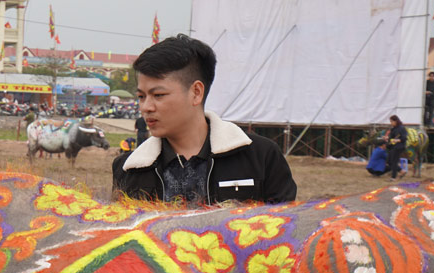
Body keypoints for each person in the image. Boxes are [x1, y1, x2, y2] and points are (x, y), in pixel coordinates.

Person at [112, 34, 297, 205]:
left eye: (158, 95)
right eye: (141, 96)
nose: (146, 107)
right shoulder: (129, 169)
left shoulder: (260, 157)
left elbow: (286, 231)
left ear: (196, 92)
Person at [384, 115, 407, 180]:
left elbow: (404, 138)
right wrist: (387, 138)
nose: (391, 123)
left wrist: (397, 140)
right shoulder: (393, 129)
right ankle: (402, 171)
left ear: (396, 121)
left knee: (394, 161)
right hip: (393, 146)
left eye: (391, 121)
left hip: (399, 147)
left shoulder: (401, 128)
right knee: (389, 161)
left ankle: (393, 177)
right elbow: (392, 137)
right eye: (390, 121)